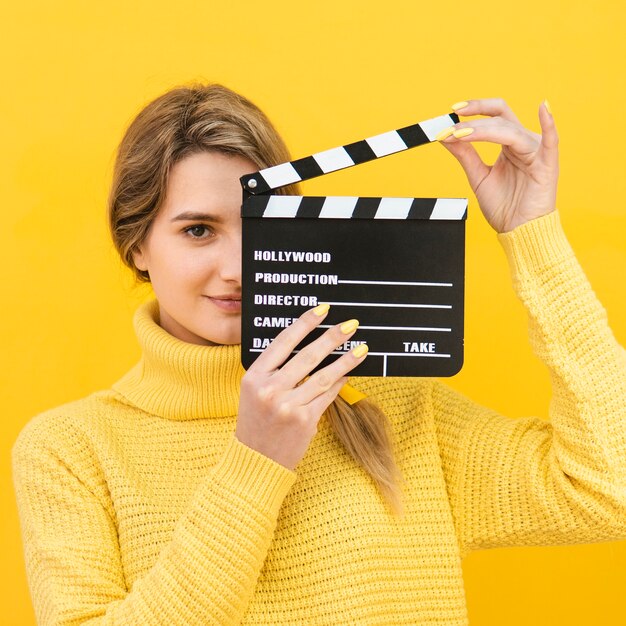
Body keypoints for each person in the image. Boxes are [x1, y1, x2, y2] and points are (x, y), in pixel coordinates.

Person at [12, 83, 626, 626]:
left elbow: (607, 489)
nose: (237, 269)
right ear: (137, 245)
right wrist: (256, 460)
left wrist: (532, 234)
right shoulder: (69, 451)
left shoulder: (392, 404)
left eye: (261, 222)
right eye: (198, 230)